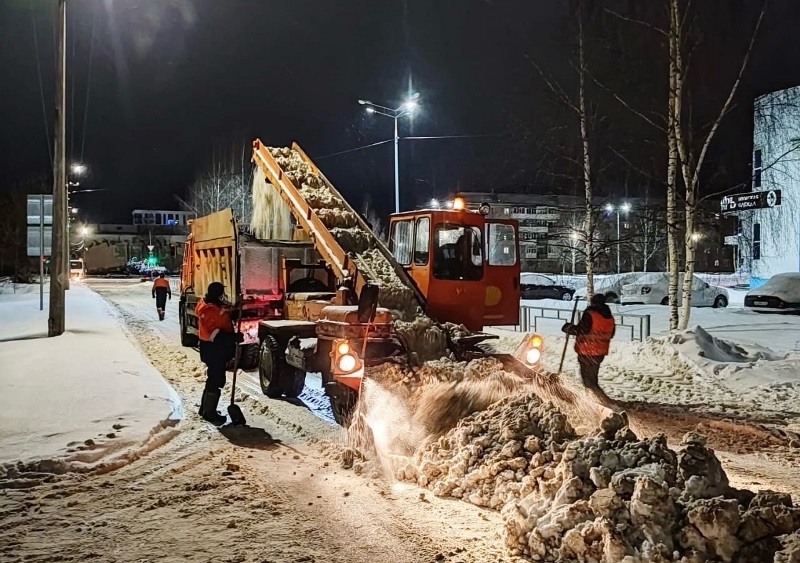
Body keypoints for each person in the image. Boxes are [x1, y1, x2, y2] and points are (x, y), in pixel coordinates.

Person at [195, 282, 239, 425]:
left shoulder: (211, 304)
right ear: (217, 294)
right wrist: (233, 338)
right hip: (214, 350)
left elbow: (222, 314)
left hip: (214, 350)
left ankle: (205, 409)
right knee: (216, 380)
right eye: (221, 293)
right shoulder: (209, 310)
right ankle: (210, 413)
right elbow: (214, 335)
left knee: (213, 379)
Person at [561, 293, 616, 396]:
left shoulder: (590, 314)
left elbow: (583, 330)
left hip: (587, 351)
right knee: (592, 379)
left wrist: (569, 328)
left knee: (588, 381)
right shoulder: (609, 317)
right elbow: (611, 334)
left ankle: (598, 401)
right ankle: (596, 399)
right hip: (600, 352)